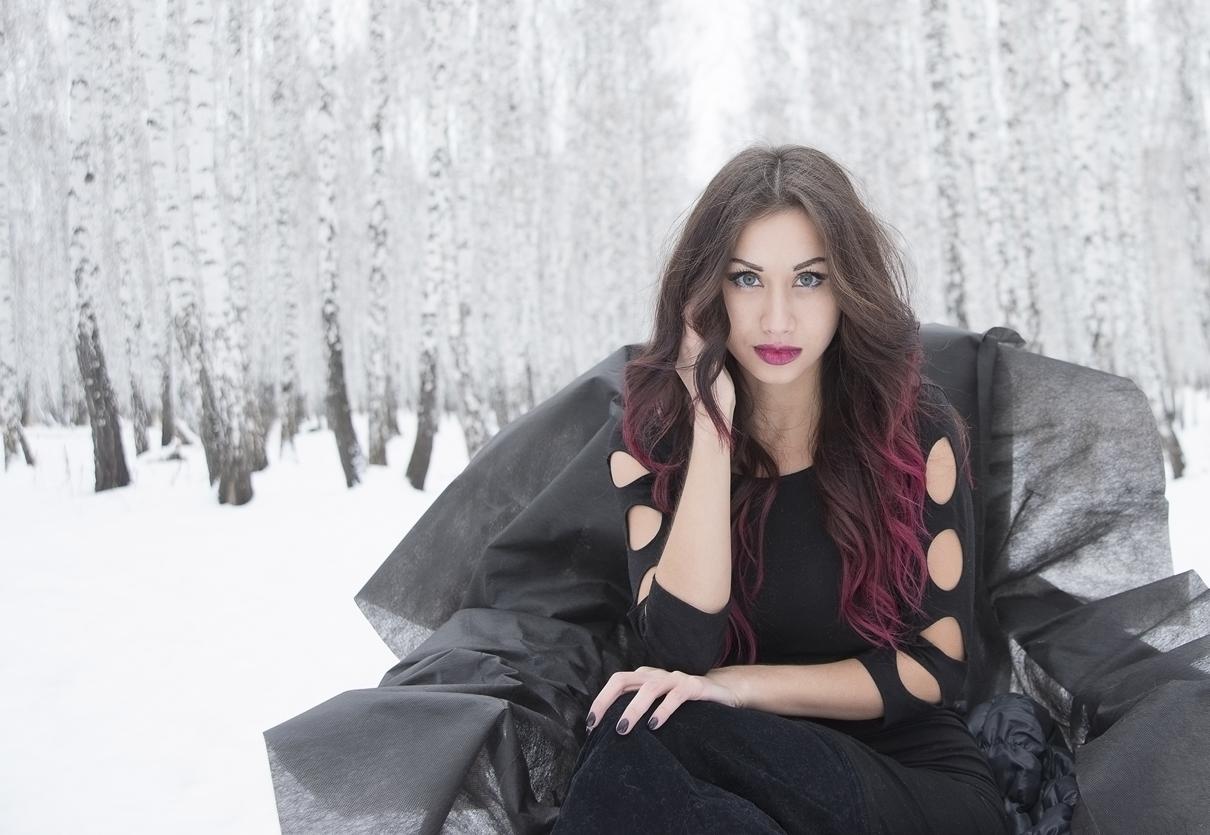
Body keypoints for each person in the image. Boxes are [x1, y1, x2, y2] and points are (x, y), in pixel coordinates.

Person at [551, 144, 1012, 835]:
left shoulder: (917, 433)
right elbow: (682, 647)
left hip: (911, 782)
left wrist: (736, 689)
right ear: (704, 295)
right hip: (738, 772)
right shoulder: (654, 445)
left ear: (847, 286)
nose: (775, 319)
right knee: (651, 743)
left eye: (807, 280)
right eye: (746, 280)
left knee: (650, 731)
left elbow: (934, 668)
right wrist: (712, 428)